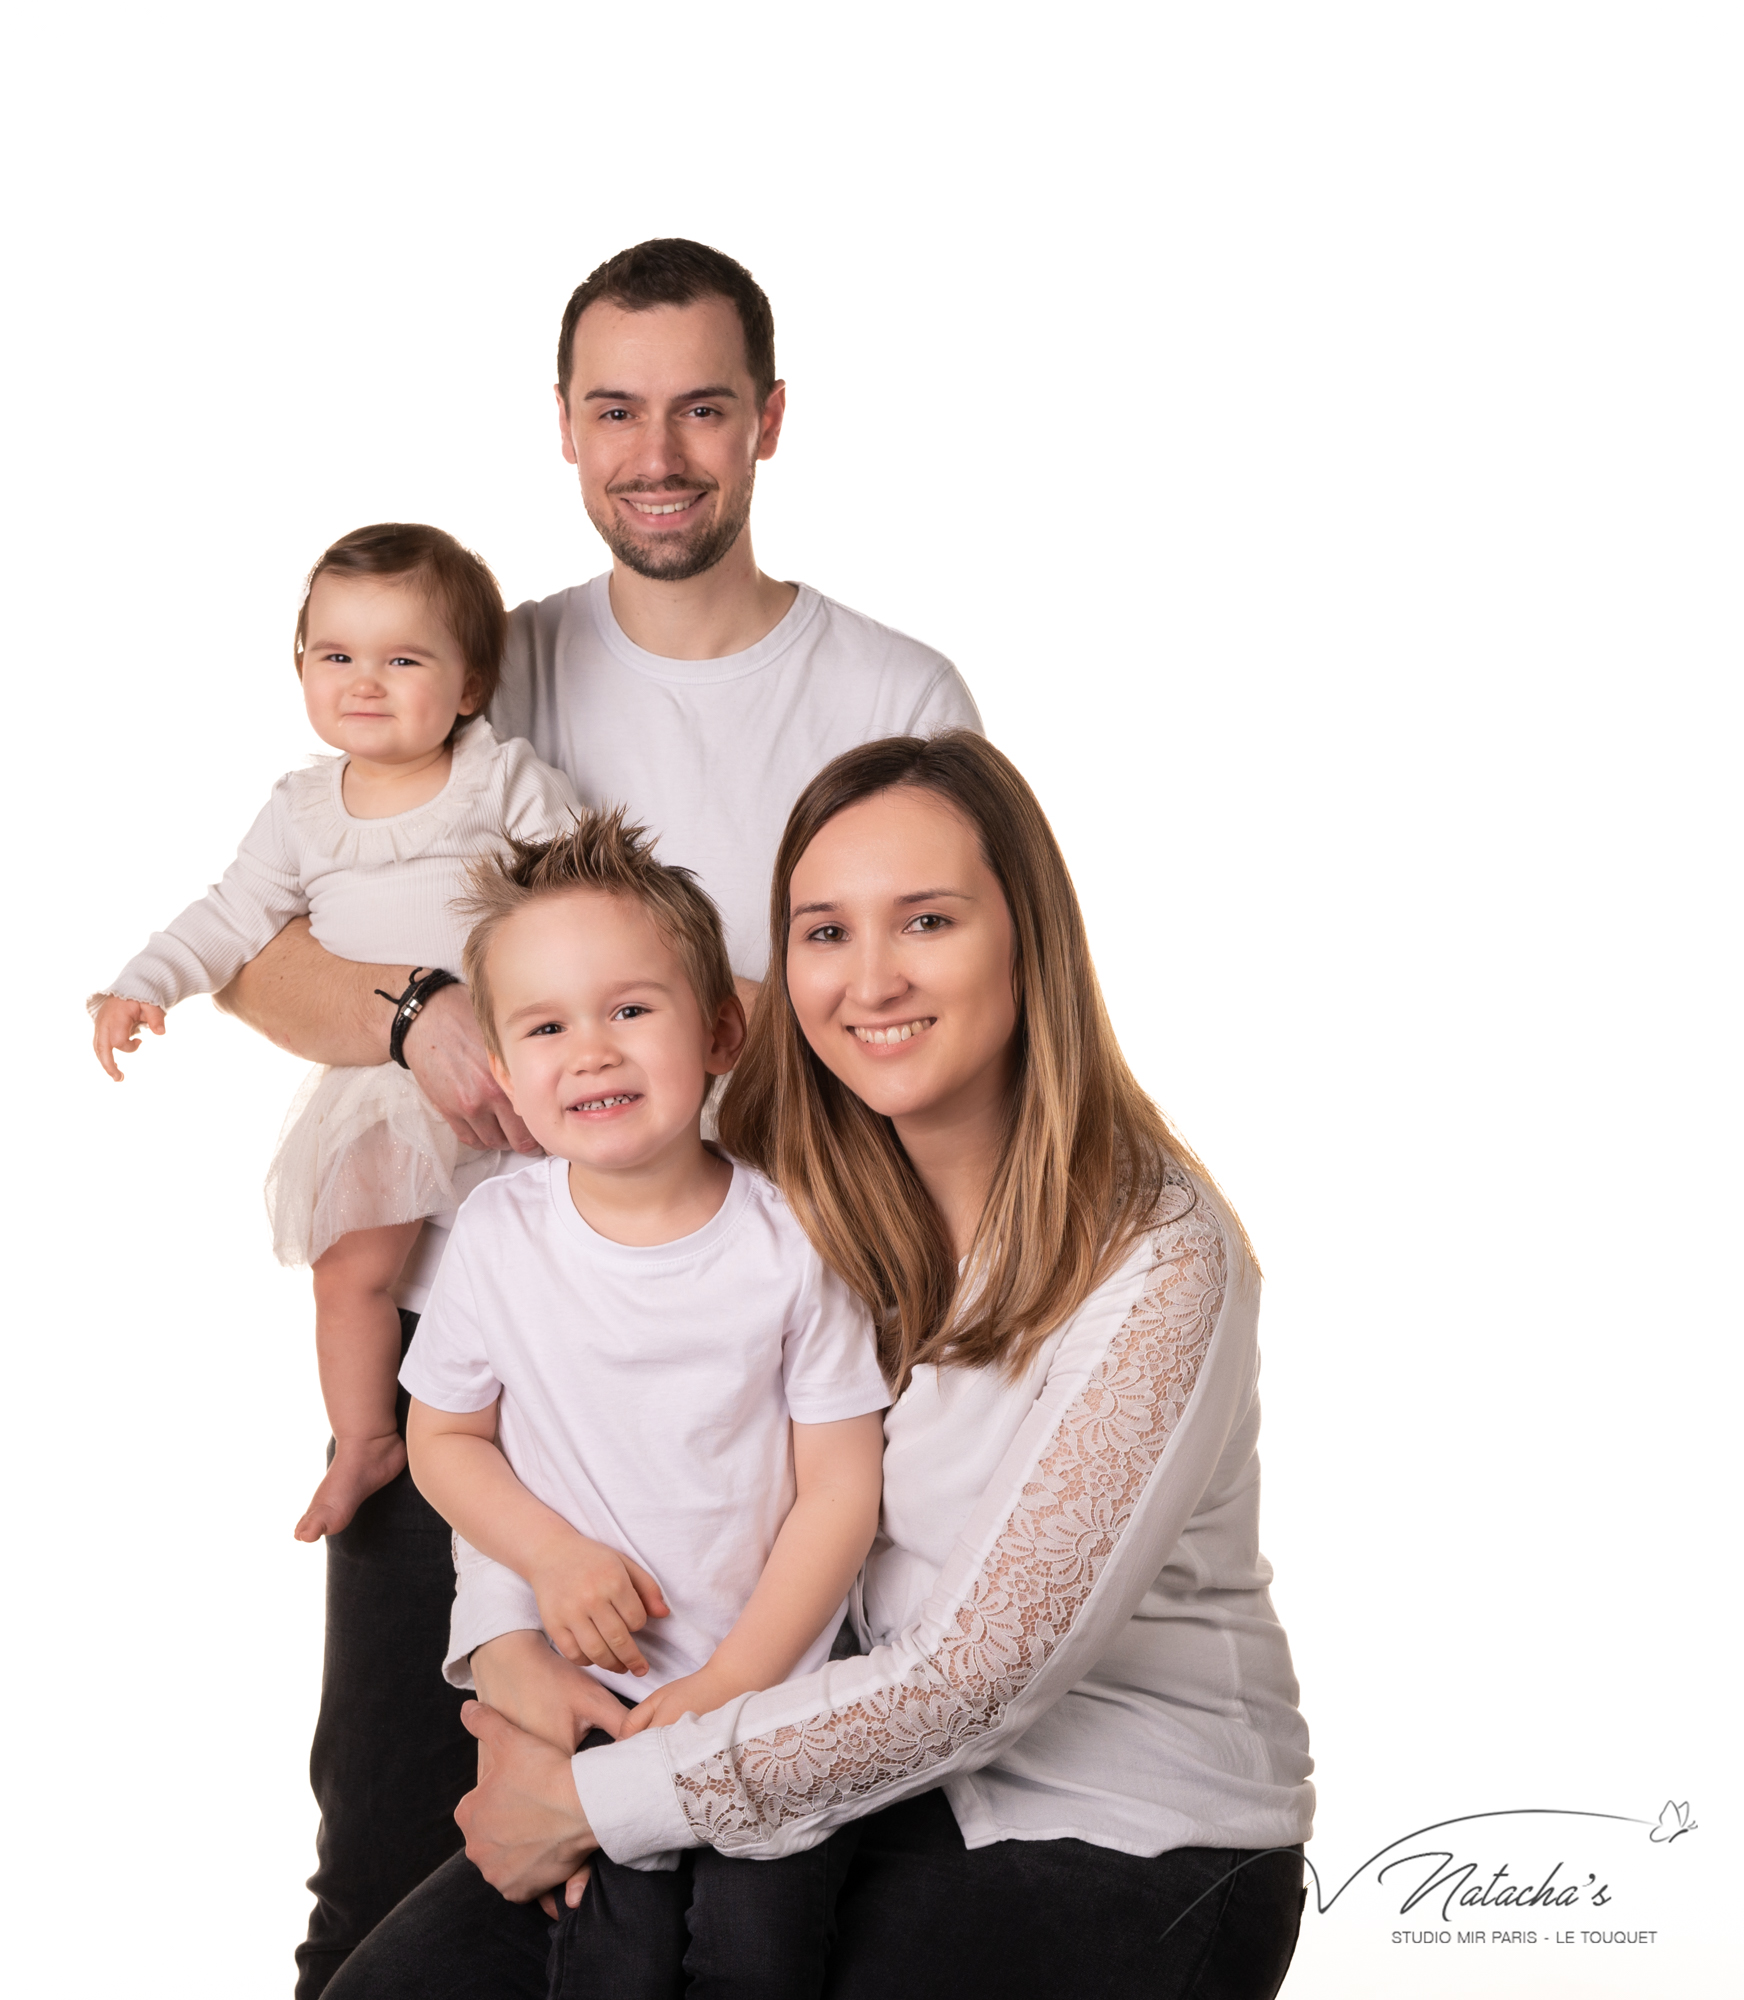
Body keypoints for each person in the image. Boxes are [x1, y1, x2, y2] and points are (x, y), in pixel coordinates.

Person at [212, 241, 981, 1997]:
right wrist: (424, 1014)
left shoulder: (895, 696)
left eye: (704, 407)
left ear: (768, 423)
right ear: (562, 427)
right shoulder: (486, 665)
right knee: (399, 1841)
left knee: (732, 1896)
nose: (660, 451)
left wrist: (724, 1053)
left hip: (760, 1365)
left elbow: (929, 1013)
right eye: (616, 409)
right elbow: (262, 954)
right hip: (489, 1366)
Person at [321, 732, 1315, 2000]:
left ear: (1028, 939)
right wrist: (517, 1657)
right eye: (823, 930)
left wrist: (595, 1796)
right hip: (768, 1744)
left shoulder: (1158, 1262)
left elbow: (967, 1687)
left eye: (927, 920)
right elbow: (544, 1406)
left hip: (1107, 1819)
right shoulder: (752, 1176)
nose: (871, 977)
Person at [404, 809, 890, 1997]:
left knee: (762, 1956)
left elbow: (839, 1487)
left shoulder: (790, 1237)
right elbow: (447, 1439)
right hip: (593, 1690)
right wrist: (556, 1560)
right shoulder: (499, 1234)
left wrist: (735, 1685)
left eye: (630, 1009)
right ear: (506, 1074)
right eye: (546, 1026)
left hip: (765, 1692)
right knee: (607, 1962)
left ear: (720, 1029)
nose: (592, 1051)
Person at [87, 523, 576, 1541]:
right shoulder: (303, 811)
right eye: (336, 656)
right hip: (385, 1084)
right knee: (352, 1267)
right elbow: (229, 916)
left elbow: (591, 895)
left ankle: (555, 1438)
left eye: (403, 659)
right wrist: (143, 983)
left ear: (470, 682)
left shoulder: (499, 780)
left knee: (549, 1263)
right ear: (301, 666)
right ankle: (364, 1436)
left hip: (516, 1072)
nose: (365, 681)